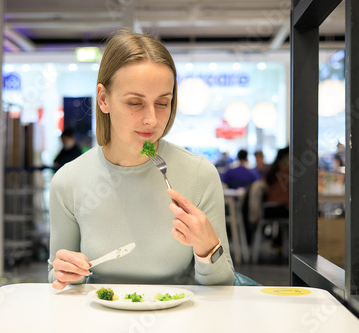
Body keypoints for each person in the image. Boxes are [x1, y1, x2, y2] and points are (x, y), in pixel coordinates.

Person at [48, 29, 234, 290]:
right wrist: (70, 272)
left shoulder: (200, 175)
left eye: (162, 103)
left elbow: (222, 287)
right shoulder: (68, 181)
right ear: (103, 99)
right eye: (135, 103)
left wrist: (207, 249)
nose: (152, 120)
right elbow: (56, 275)